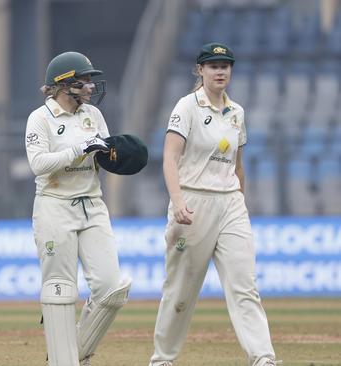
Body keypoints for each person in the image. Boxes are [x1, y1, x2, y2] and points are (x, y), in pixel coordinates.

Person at [148, 43, 278, 366]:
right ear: (200, 70)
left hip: (230, 205)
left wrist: (240, 204)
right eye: (213, 65)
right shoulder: (186, 107)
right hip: (193, 202)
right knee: (180, 292)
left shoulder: (237, 113)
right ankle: (162, 359)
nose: (220, 71)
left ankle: (263, 357)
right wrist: (177, 201)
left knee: (244, 285)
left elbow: (238, 166)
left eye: (225, 66)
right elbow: (169, 158)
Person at [25, 51, 132, 366]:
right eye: (83, 81)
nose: (89, 87)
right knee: (59, 290)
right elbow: (38, 164)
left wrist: (122, 156)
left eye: (89, 81)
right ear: (62, 84)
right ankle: (63, 361)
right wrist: (78, 149)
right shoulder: (40, 118)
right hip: (54, 207)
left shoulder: (93, 116)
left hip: (93, 204)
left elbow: (104, 155)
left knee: (112, 288)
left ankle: (76, 352)